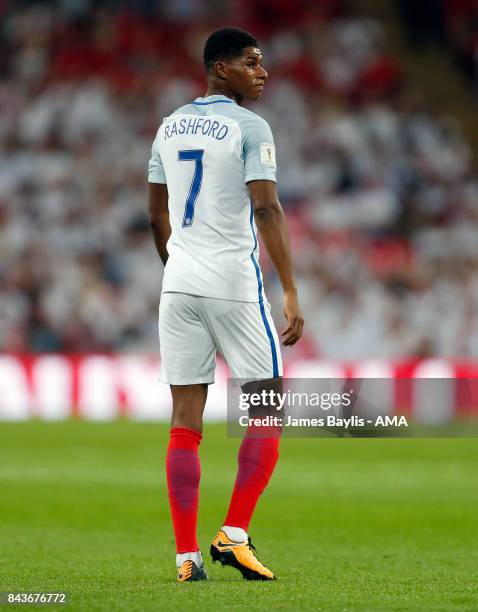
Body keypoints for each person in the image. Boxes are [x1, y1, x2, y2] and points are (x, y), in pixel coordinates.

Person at [147, 27, 303, 582]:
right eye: (251, 62)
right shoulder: (250, 127)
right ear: (219, 68)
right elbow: (268, 208)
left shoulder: (167, 125)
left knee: (184, 422)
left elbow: (155, 215)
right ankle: (234, 533)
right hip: (233, 284)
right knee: (269, 406)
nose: (262, 72)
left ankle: (186, 558)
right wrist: (287, 287)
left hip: (179, 282)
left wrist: (180, 268)